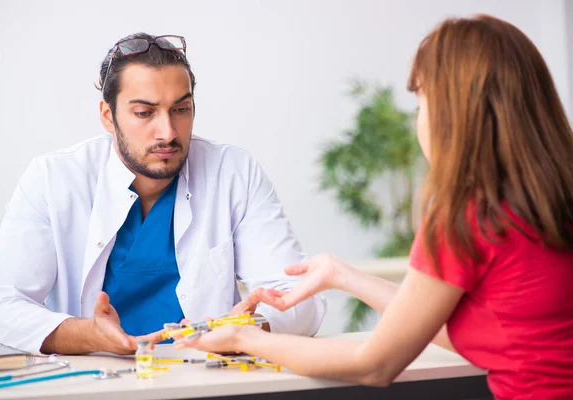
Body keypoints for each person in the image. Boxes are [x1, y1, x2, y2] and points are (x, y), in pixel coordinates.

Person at [178, 15, 573, 399]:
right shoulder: (548, 201)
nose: (420, 122)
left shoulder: (471, 217)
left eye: (422, 105)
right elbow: (485, 331)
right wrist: (342, 275)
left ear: (455, 114)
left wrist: (242, 336)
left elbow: (373, 364)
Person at [0, 33, 325, 355]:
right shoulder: (53, 179)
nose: (168, 132)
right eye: (144, 112)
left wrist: (246, 328)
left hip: (207, 381)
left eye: (181, 109)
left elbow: (302, 299)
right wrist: (87, 334)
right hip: (93, 384)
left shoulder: (233, 172)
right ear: (108, 116)